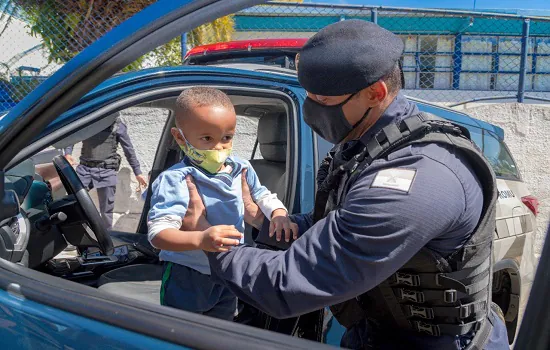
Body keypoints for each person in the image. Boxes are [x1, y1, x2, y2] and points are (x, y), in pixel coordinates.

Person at [182, 21, 509, 349]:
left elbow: (287, 285)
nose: (312, 109)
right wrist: (261, 218)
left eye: (322, 98)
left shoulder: (415, 178)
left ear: (375, 92)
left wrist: (209, 240)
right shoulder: (368, 146)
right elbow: (334, 224)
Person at [147, 87, 296, 320]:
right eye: (207, 138)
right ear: (179, 137)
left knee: (222, 329)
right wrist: (200, 239)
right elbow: (158, 234)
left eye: (227, 138)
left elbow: (262, 194)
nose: (219, 147)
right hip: (187, 274)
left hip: (228, 272)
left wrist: (278, 212)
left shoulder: (240, 168)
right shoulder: (176, 179)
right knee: (182, 332)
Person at [64, 112, 148, 229]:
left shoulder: (118, 126)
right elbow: (72, 136)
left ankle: (107, 237)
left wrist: (137, 172)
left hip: (106, 171)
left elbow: (129, 150)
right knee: (74, 202)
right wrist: (68, 153)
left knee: (107, 210)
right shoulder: (87, 122)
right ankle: (74, 231)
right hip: (85, 169)